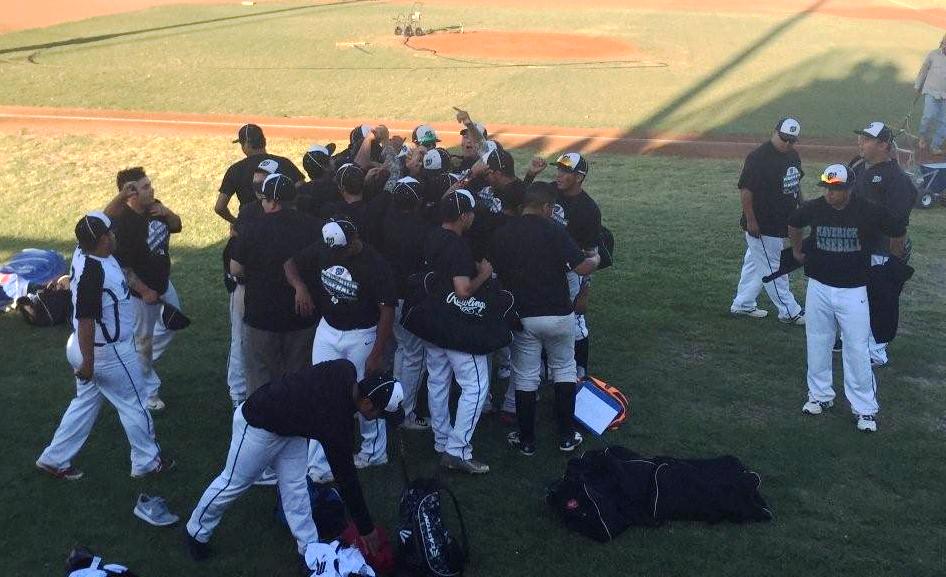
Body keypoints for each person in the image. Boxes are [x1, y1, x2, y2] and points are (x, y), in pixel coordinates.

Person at [185, 362, 402, 562]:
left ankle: (310, 552)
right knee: (233, 482)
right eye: (380, 414)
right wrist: (366, 528)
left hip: (292, 430)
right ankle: (195, 532)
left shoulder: (345, 369)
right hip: (258, 423)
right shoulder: (336, 423)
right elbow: (347, 480)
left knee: (296, 490)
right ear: (366, 402)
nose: (378, 419)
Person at [36, 212, 173, 480]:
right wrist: (88, 363)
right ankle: (147, 461)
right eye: (109, 233)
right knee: (135, 402)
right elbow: (86, 320)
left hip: (84, 346)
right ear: (100, 240)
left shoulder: (84, 252)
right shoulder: (93, 275)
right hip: (104, 352)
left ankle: (54, 458)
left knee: (85, 402)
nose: (114, 235)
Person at [787, 164, 907, 433]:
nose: (830, 194)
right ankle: (819, 396)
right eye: (828, 188)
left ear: (849, 189)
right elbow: (794, 222)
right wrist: (796, 250)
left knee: (856, 348)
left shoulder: (868, 210)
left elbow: (898, 228)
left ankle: (864, 408)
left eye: (836, 189)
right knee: (818, 342)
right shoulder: (816, 207)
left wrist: (894, 261)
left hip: (854, 291)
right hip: (818, 287)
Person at [491, 183, 600, 455]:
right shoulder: (554, 229)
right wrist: (596, 259)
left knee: (526, 377)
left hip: (523, 315)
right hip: (558, 313)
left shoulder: (504, 233)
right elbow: (582, 266)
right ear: (546, 207)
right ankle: (566, 436)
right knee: (564, 369)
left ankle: (526, 440)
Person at [284, 218, 397, 476]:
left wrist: (377, 352)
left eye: (341, 251)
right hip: (329, 329)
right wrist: (300, 287)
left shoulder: (375, 264)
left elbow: (387, 310)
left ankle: (374, 453)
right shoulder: (325, 247)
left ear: (354, 239)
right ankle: (318, 465)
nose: (336, 256)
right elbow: (290, 263)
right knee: (320, 392)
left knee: (366, 392)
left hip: (363, 334)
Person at [216, 125, 303, 406]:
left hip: (251, 284)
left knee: (242, 338)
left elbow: (220, 207)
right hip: (286, 284)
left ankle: (238, 395)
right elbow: (301, 192)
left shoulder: (247, 216)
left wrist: (234, 225)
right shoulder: (287, 166)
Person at [421, 190, 494, 475]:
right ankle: (457, 450)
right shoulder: (457, 245)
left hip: (432, 322)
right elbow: (463, 291)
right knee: (475, 386)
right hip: (456, 327)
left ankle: (441, 440)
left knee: (438, 380)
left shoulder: (431, 236)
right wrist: (484, 275)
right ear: (464, 215)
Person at [230, 173, 320, 397]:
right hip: (301, 316)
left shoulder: (253, 227)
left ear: (272, 201)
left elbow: (235, 269)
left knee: (261, 381)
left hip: (261, 316)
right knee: (298, 379)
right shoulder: (313, 226)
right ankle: (295, 426)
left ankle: (264, 428)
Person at [105, 167, 183, 411]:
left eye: (150, 184)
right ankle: (147, 392)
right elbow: (124, 267)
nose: (152, 189)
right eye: (146, 187)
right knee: (144, 341)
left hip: (163, 284)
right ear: (131, 194)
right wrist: (145, 290)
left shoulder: (156, 208)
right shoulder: (124, 225)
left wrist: (167, 212)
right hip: (141, 294)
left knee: (173, 323)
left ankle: (135, 364)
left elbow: (177, 225)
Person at [850, 122, 917, 366]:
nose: (860, 143)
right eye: (861, 138)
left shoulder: (897, 180)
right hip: (857, 247)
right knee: (855, 295)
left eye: (866, 139)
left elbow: (898, 226)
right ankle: (853, 339)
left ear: (883, 145)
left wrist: (894, 261)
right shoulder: (857, 165)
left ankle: (876, 350)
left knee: (881, 298)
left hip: (882, 250)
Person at [531, 152, 602, 378]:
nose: (559, 174)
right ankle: (544, 367)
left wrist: (584, 291)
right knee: (542, 318)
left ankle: (579, 370)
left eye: (565, 171)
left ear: (579, 177)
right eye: (559, 169)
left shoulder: (589, 209)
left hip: (570, 273)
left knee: (574, 322)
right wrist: (531, 174)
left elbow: (591, 252)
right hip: (542, 268)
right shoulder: (550, 191)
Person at [729, 117, 806, 325]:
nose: (787, 144)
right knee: (775, 268)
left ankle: (743, 304)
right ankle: (790, 312)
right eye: (784, 138)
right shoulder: (758, 157)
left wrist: (803, 207)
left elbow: (795, 184)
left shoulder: (793, 155)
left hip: (781, 222)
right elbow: (746, 191)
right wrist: (751, 220)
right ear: (775, 132)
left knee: (756, 264)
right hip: (763, 224)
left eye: (792, 140)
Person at [377, 177, 432, 431]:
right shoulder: (423, 228)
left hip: (385, 297)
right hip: (408, 300)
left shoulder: (385, 221)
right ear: (418, 201)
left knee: (401, 350)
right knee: (413, 354)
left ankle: (392, 403)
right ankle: (404, 413)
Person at [915, 33, 946, 155]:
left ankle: (936, 145)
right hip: (931, 92)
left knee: (945, 122)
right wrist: (918, 85)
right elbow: (923, 70)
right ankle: (922, 136)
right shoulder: (933, 55)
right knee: (928, 116)